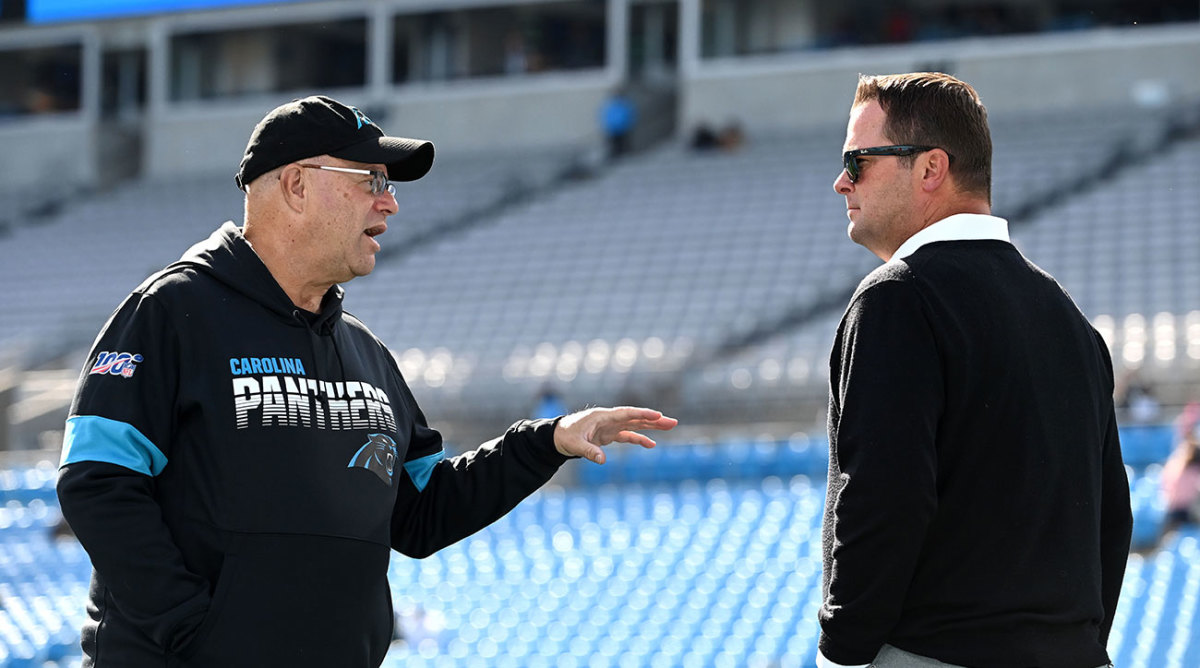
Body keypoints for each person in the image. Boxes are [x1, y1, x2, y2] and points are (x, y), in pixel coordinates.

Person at [55, 95, 677, 668]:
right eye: (371, 180)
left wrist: (546, 443)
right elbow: (98, 483)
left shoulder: (365, 352)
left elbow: (422, 513)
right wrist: (194, 632)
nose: (391, 202)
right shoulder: (172, 311)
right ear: (296, 184)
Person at [818, 73, 1131, 668]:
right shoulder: (1069, 318)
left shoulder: (896, 299)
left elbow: (883, 501)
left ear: (931, 168)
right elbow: (1112, 518)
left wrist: (843, 653)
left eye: (857, 161)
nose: (841, 183)